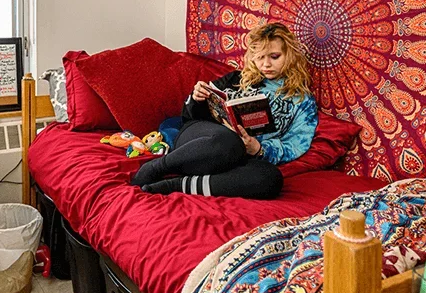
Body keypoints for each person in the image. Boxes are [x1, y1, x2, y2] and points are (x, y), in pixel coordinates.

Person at [131, 22, 318, 199]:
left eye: (274, 57)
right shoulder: (237, 79)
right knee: (229, 142)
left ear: (290, 56)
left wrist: (260, 149)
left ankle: (177, 184)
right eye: (260, 57)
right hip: (201, 142)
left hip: (241, 158)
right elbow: (188, 117)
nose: (266, 65)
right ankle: (157, 167)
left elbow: (296, 144)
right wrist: (197, 98)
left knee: (270, 179)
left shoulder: (302, 101)